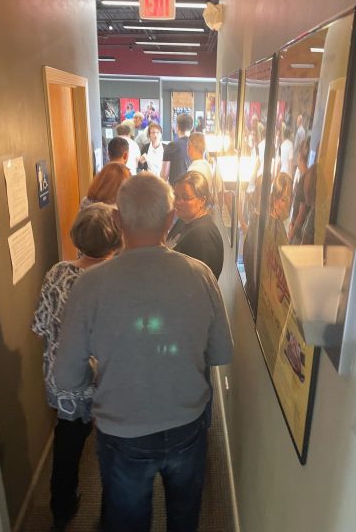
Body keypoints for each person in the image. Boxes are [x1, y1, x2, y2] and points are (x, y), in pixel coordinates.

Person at [54, 173, 233, 532]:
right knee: (184, 519)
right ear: (170, 218)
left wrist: (103, 370)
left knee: (127, 523)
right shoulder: (200, 275)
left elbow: (66, 377)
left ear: (117, 219)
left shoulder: (90, 285)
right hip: (187, 422)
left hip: (122, 428)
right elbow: (220, 352)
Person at [32, 204, 122, 531]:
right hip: (105, 381)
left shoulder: (57, 273)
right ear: (116, 239)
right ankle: (111, 515)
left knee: (67, 441)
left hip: (63, 379)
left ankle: (61, 508)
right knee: (113, 449)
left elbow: (40, 325)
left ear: (77, 236)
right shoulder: (117, 280)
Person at [167, 171, 223, 280]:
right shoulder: (182, 220)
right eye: (176, 196)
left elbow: (201, 281)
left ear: (202, 200)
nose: (178, 202)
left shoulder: (203, 235)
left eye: (185, 197)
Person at [288, 137, 310, 244]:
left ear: (300, 157)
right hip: (300, 228)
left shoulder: (303, 180)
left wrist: (292, 232)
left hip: (298, 232)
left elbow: (301, 212)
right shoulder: (308, 177)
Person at [161, 113, 193, 185]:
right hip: (194, 189)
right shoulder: (197, 145)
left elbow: (164, 176)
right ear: (192, 127)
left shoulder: (171, 146)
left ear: (177, 127)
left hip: (176, 188)